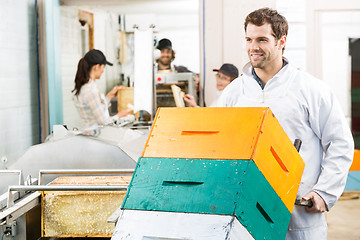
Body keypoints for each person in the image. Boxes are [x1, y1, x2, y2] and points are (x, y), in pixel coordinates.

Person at [217, 8, 354, 239]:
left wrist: (324, 193)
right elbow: (220, 147)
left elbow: (340, 143)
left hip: (299, 214)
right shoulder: (234, 93)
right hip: (244, 212)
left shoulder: (311, 89)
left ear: (282, 41)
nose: (253, 47)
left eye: (262, 39)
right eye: (249, 39)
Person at [72, 49, 131, 128]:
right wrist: (120, 115)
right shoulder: (90, 90)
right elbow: (103, 122)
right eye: (103, 67)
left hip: (91, 133)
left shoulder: (86, 86)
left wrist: (109, 96)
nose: (103, 71)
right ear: (97, 67)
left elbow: (95, 109)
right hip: (93, 134)